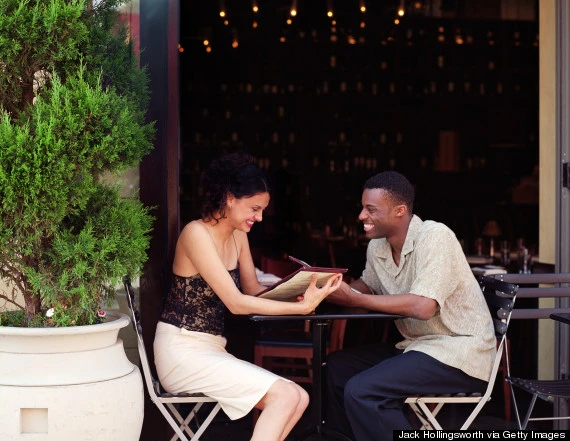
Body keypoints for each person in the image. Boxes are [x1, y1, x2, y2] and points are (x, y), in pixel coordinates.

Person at [153, 151, 343, 441]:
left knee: (299, 397)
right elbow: (236, 303)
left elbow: (253, 290)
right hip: (181, 350)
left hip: (212, 349)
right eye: (255, 208)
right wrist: (302, 309)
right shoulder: (196, 233)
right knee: (285, 397)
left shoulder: (238, 234)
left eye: (263, 210)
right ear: (230, 198)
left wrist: (299, 289)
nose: (260, 217)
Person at [324, 171, 496, 441]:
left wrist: (354, 299)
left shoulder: (435, 236)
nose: (361, 216)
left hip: (459, 353)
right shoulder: (377, 246)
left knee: (363, 390)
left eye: (371, 209)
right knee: (337, 368)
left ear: (400, 211)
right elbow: (367, 286)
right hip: (416, 347)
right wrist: (326, 291)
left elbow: (424, 307)